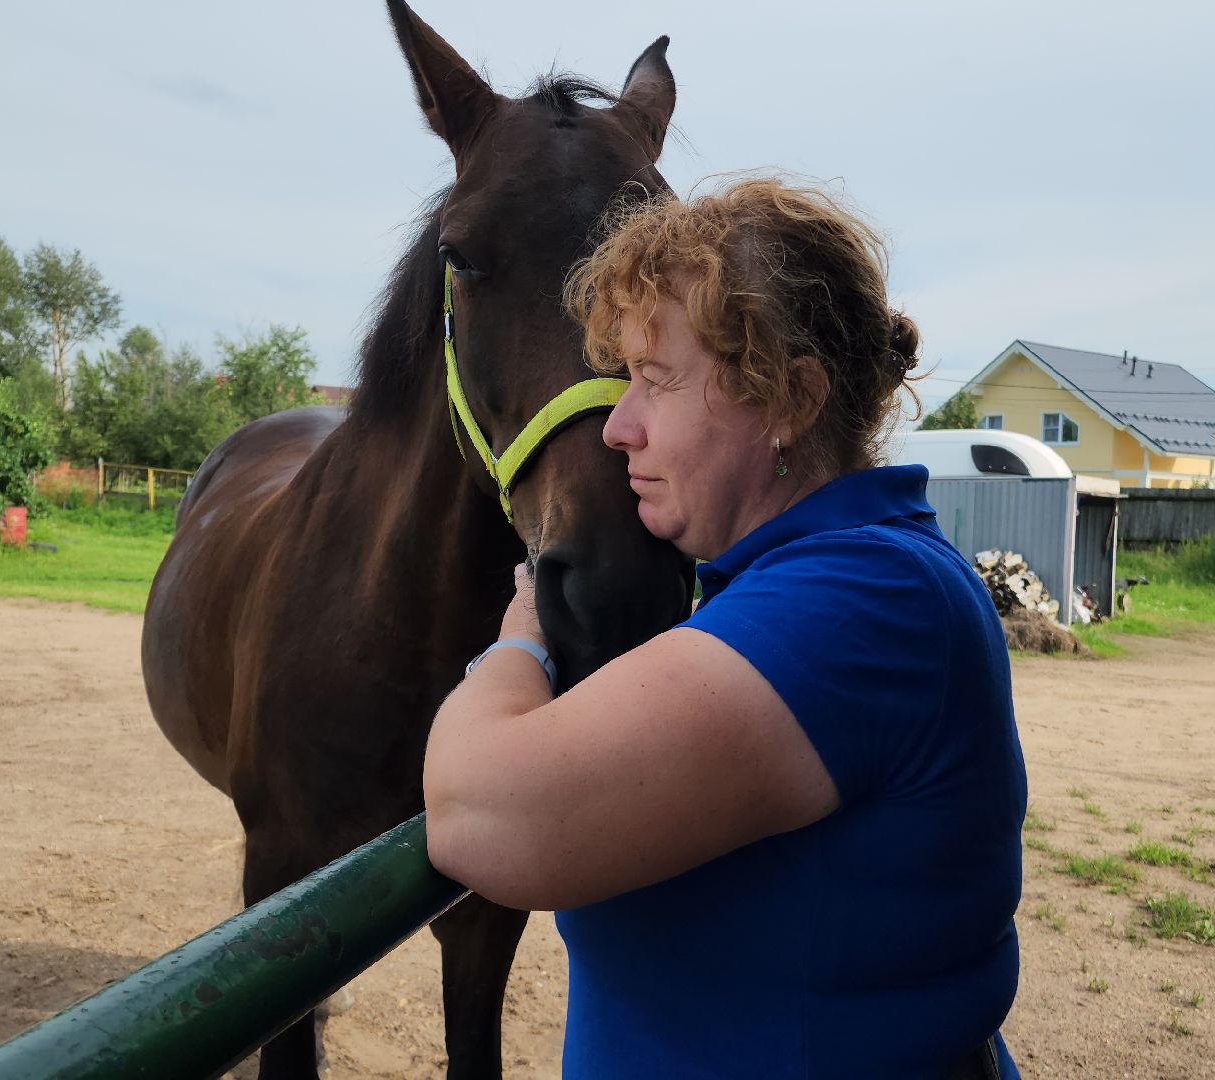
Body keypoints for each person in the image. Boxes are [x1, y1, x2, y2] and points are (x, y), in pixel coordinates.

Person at [424, 177, 1026, 1079]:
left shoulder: (862, 601)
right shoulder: (811, 581)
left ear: (791, 398)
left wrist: (519, 638)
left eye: (655, 380)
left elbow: (483, 814)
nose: (618, 427)